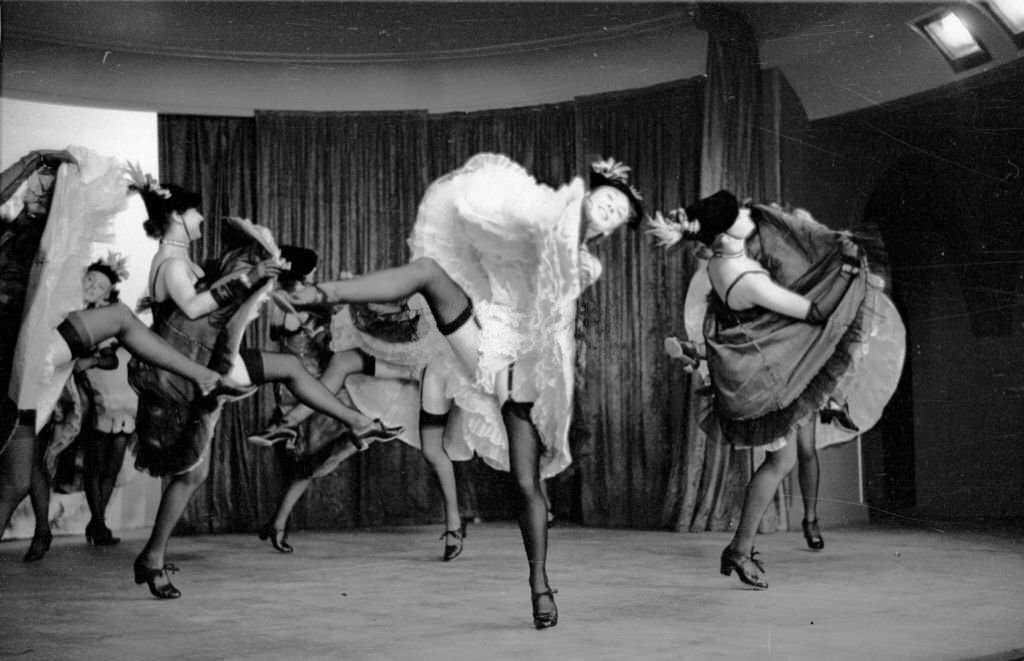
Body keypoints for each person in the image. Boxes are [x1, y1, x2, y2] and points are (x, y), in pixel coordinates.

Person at [286, 153, 644, 629]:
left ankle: (539, 584)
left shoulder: (582, 262)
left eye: (618, 213)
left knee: (524, 483)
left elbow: (551, 283)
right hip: (482, 335)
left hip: (526, 363)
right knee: (430, 272)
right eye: (607, 199)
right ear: (589, 193)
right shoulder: (538, 215)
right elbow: (499, 234)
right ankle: (322, 294)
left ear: (612, 229)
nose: (610, 210)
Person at [125, 170, 405, 600]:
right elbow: (196, 306)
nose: (201, 218)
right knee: (191, 472)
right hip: (189, 369)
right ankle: (152, 557)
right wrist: (249, 275)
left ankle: (152, 556)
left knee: (196, 469)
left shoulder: (178, 259)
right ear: (178, 217)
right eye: (195, 211)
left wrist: (260, 270)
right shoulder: (173, 263)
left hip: (206, 361)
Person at [0, 151, 251, 556]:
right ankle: (201, 375)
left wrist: (148, 191)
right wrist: (30, 163)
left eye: (46, 191)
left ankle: (144, 555)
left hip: (28, 358)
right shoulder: (15, 238)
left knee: (14, 485)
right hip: (21, 348)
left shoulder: (44, 245)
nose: (39, 193)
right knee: (118, 318)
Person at [649, 190, 903, 589]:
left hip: (770, 364)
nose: (746, 218)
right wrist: (849, 274)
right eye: (737, 218)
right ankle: (739, 549)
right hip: (770, 375)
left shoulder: (723, 261)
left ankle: (740, 549)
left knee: (781, 461)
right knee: (780, 463)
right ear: (723, 233)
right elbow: (816, 312)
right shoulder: (744, 277)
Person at [249, 255, 471, 559]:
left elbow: (392, 320)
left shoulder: (432, 304)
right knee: (342, 363)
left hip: (429, 371)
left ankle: (454, 525)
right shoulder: (401, 296)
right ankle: (288, 424)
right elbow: (374, 317)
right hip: (396, 367)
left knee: (433, 451)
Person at [19, 255, 135, 561]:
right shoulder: (59, 306)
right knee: (29, 460)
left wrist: (89, 361)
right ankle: (43, 528)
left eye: (99, 286)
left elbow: (109, 358)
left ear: (107, 295)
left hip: (68, 398)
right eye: (89, 280)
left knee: (44, 460)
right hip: (38, 386)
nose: (91, 287)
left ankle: (52, 529)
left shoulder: (100, 320)